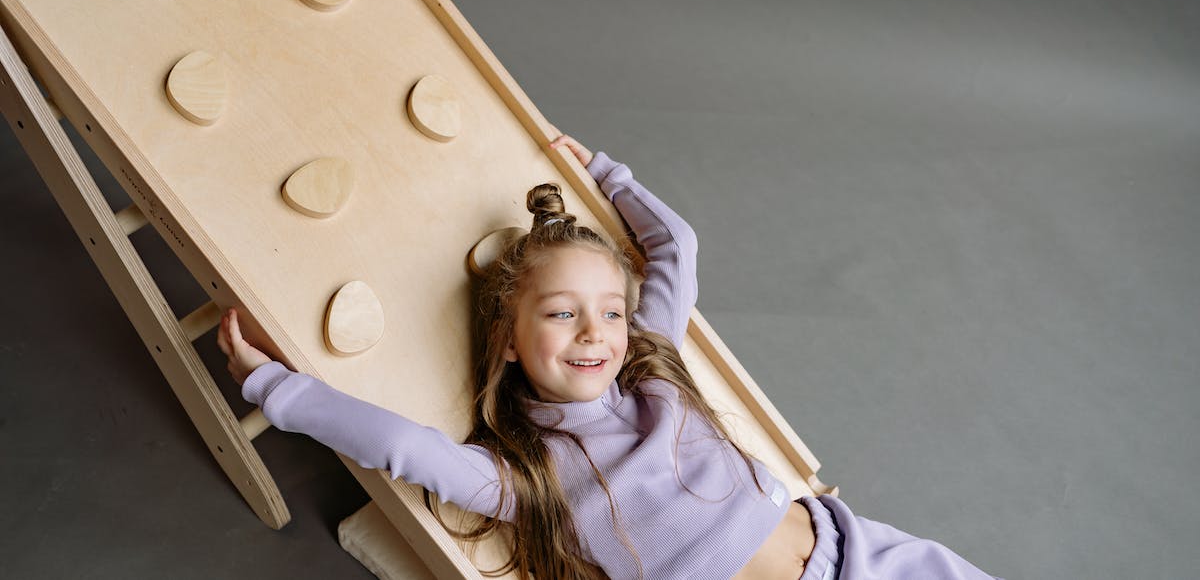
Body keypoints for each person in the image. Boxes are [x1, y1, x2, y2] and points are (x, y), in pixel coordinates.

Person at [218, 134, 1000, 580]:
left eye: (610, 312)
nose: (595, 332)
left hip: (854, 554)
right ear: (510, 340)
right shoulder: (529, 476)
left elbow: (676, 249)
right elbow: (403, 447)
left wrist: (606, 175)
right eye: (561, 314)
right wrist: (275, 386)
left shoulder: (651, 374)